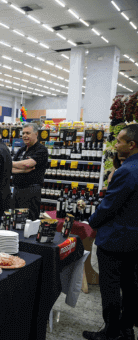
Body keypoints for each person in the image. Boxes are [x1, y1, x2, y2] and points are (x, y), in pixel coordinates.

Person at [83, 124, 138, 340]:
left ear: (131, 145)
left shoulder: (126, 171)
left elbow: (109, 206)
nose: (116, 145)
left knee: (111, 286)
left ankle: (111, 332)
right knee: (131, 285)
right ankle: (126, 329)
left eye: (120, 141)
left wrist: (92, 221)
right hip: (134, 240)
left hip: (116, 239)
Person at [12, 123, 49, 221]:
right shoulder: (21, 150)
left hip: (31, 192)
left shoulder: (41, 150)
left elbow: (28, 164)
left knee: (29, 221)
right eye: (23, 133)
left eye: (27, 133)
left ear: (36, 134)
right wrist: (22, 169)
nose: (24, 136)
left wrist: (16, 165)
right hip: (17, 191)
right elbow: (10, 169)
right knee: (16, 221)